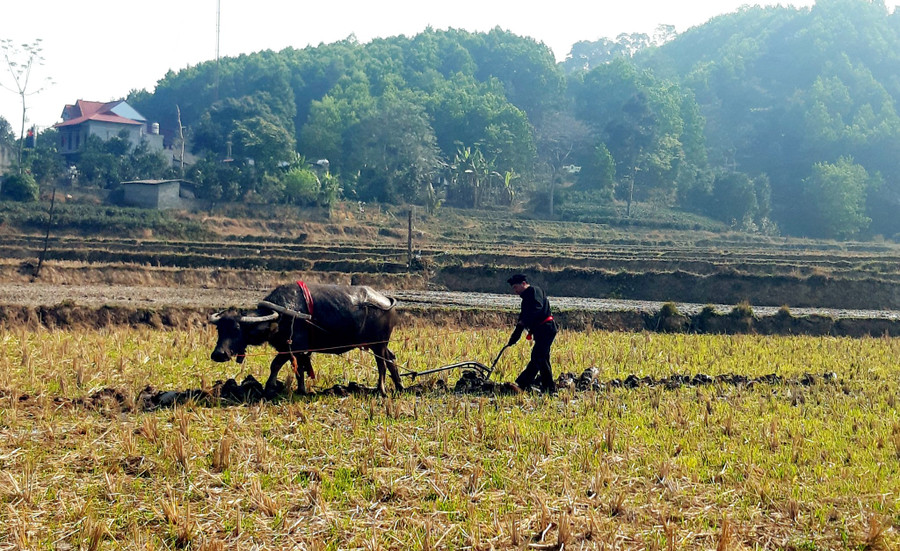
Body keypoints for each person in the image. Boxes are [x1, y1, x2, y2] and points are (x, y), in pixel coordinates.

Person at [506, 274, 557, 393]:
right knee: (542, 358)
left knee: (538, 357)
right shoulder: (525, 300)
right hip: (540, 331)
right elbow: (522, 319)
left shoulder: (534, 291)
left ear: (523, 284)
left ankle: (523, 384)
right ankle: (548, 388)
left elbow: (536, 308)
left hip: (547, 328)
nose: (515, 291)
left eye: (515, 287)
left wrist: (524, 321)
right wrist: (515, 336)